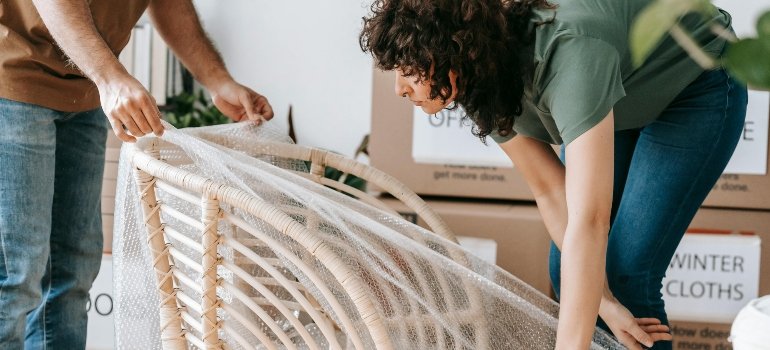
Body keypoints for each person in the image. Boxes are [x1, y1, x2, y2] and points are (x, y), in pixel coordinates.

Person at [360, 0, 747, 349]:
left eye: (409, 71)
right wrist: (605, 306)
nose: (398, 89)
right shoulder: (480, 76)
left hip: (697, 84)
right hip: (625, 87)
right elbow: (548, 188)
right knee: (572, 273)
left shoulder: (567, 56)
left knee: (626, 274)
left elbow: (589, 220)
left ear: (452, 52)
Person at [0, 0, 273, 347]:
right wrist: (110, 77)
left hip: (84, 88)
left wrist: (218, 81)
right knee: (15, 276)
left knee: (73, 272)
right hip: (12, 78)